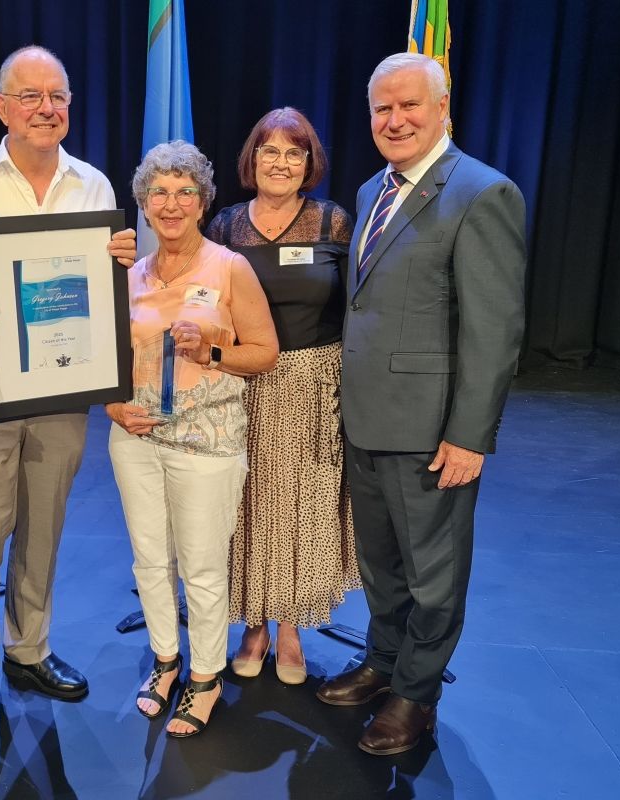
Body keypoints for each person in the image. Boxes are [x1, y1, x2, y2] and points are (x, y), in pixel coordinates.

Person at [316, 53, 526, 755]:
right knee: (380, 563)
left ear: (444, 110)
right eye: (382, 108)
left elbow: (494, 331)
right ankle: (383, 661)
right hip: (368, 418)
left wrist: (470, 435)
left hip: (433, 430)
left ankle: (417, 694)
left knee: (434, 573)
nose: (395, 119)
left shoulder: (481, 193)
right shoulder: (374, 189)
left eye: (410, 105)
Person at [0, 44, 137, 743]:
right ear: (2, 108)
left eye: (58, 96)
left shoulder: (95, 186)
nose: (47, 108)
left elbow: (108, 296)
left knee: (43, 529)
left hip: (62, 389)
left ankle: (29, 649)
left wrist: (121, 267)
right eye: (30, 96)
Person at [108, 140, 278, 737]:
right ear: (143, 204)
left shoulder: (229, 267)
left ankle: (205, 677)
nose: (171, 203)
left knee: (203, 570)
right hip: (136, 440)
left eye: (184, 192)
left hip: (208, 442)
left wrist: (209, 350)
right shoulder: (127, 275)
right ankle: (165, 661)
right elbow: (100, 357)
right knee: (150, 561)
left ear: (203, 202)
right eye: (159, 192)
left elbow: (265, 353)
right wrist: (111, 406)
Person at [205, 108, 360, 685]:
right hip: (241, 382)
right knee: (246, 504)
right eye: (269, 150)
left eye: (294, 152)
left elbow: (357, 306)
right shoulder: (224, 225)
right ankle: (254, 623)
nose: (281, 162)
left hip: (313, 383)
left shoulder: (333, 223)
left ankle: (291, 623)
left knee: (300, 506)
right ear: (252, 159)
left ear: (309, 162)